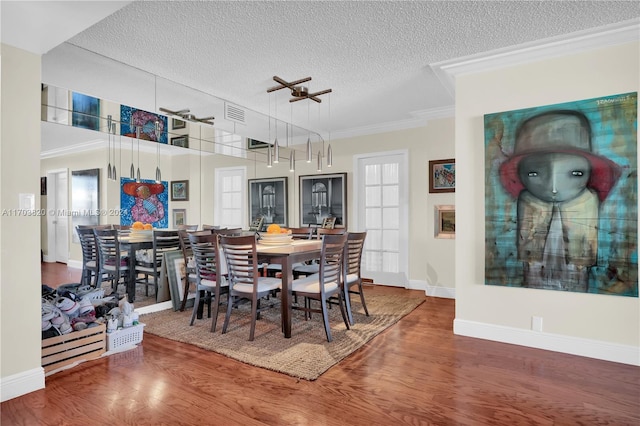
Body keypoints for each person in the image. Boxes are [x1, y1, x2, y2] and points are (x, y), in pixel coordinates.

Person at [499, 110, 621, 292]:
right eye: (534, 173)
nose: (554, 187)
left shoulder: (588, 201)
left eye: (575, 173)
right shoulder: (527, 201)